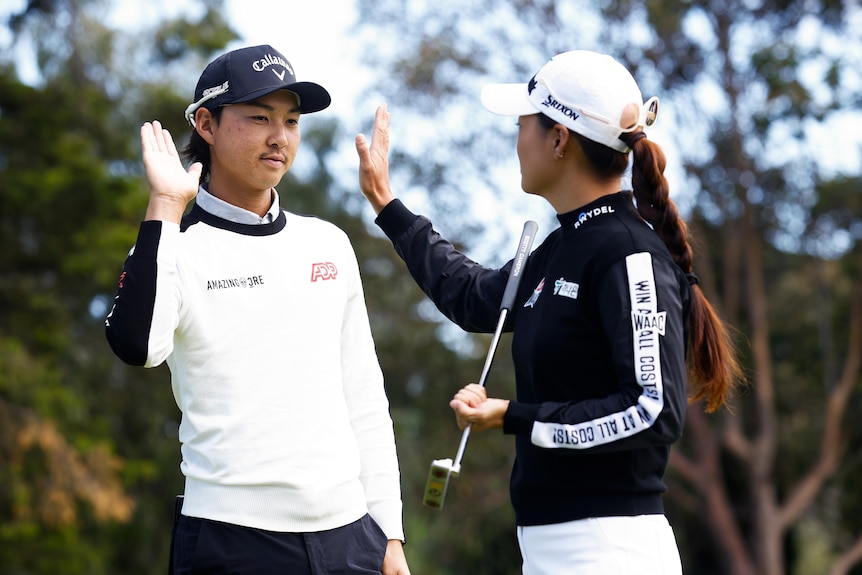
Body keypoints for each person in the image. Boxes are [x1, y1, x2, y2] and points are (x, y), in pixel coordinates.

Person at [356, 50, 742, 574]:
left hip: (611, 549)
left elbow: (653, 409)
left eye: (522, 125)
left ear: (558, 139)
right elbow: (474, 299)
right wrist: (387, 205)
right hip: (552, 546)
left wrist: (513, 416)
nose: (516, 140)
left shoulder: (629, 253)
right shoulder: (565, 245)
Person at [106, 44, 410, 575]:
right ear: (206, 124)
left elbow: (362, 396)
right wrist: (164, 208)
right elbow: (138, 346)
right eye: (259, 117)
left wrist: (389, 535)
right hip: (231, 542)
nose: (280, 137)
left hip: (350, 537)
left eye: (290, 121)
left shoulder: (329, 243)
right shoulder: (174, 244)